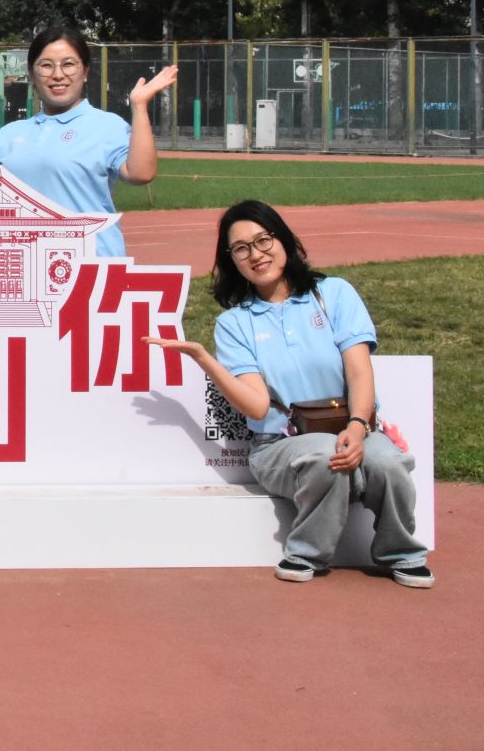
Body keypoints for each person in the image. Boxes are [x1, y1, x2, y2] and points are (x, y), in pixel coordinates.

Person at [146, 201, 433, 587]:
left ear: (283, 240)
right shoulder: (234, 323)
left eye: (263, 240)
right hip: (279, 446)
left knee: (388, 462)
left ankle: (401, 553)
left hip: (353, 426)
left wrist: (358, 426)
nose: (255, 254)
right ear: (231, 261)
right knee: (325, 455)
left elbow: (359, 370)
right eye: (241, 248)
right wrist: (203, 359)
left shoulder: (333, 294)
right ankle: (307, 553)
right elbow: (257, 406)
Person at [0, 27, 176, 256]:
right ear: (32, 74)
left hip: (92, 264)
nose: (58, 75)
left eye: (68, 64)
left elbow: (140, 173)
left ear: (85, 72)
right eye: (46, 65)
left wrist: (139, 107)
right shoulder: (11, 133)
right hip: (31, 267)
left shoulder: (107, 126)